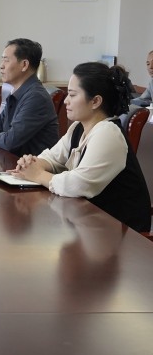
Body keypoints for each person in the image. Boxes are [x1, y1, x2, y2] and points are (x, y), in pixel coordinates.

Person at [10, 62, 150, 232]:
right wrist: (32, 164)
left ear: (95, 101)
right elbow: (52, 157)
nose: (66, 101)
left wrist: (38, 174)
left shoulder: (109, 133)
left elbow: (77, 185)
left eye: (72, 95)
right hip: (92, 224)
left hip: (123, 233)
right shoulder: (79, 127)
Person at [0, 38, 58, 156]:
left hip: (31, 165)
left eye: (6, 60)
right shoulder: (18, 92)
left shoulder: (36, 97)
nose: (1, 66)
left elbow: (9, 142)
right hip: (15, 161)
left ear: (24, 65)